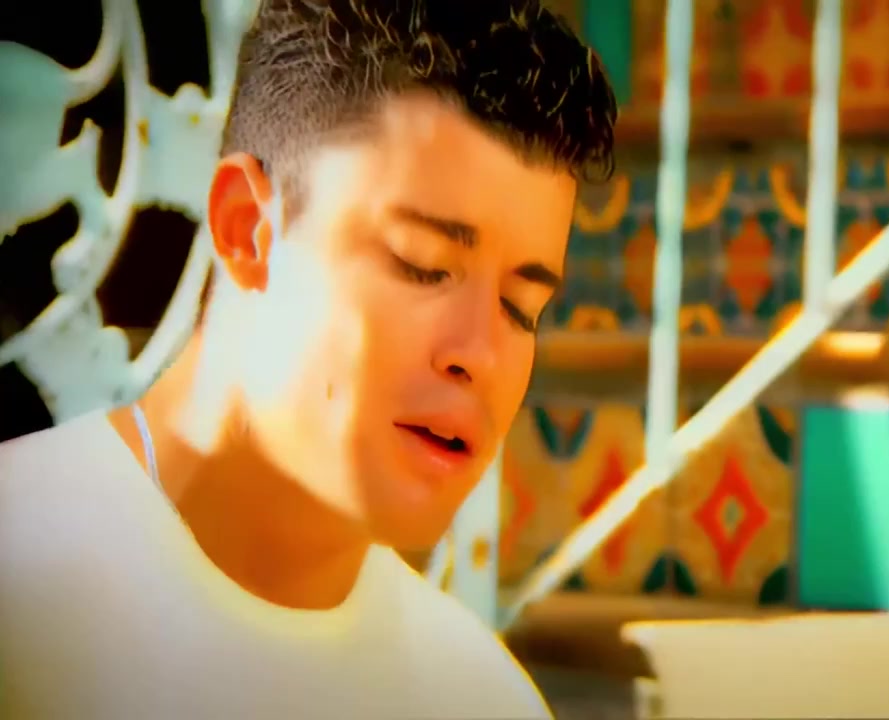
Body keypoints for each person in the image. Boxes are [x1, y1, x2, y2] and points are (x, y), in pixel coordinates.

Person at [0, 0, 616, 717]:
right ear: (247, 229)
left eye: (521, 309)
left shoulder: (483, 697)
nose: (479, 354)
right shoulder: (21, 576)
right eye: (422, 265)